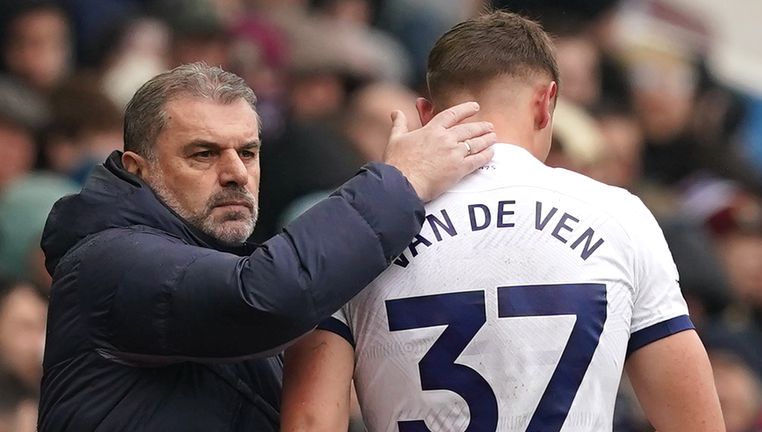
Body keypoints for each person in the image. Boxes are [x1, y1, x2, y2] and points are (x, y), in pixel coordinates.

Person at [281, 11, 725, 432]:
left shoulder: (353, 229)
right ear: (546, 102)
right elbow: (694, 422)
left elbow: (310, 422)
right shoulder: (621, 216)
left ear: (426, 114)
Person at [38, 62, 496, 431]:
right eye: (204, 153)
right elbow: (264, 297)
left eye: (249, 152)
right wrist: (400, 182)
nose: (237, 172)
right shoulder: (106, 260)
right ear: (138, 170)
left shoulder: (222, 262)